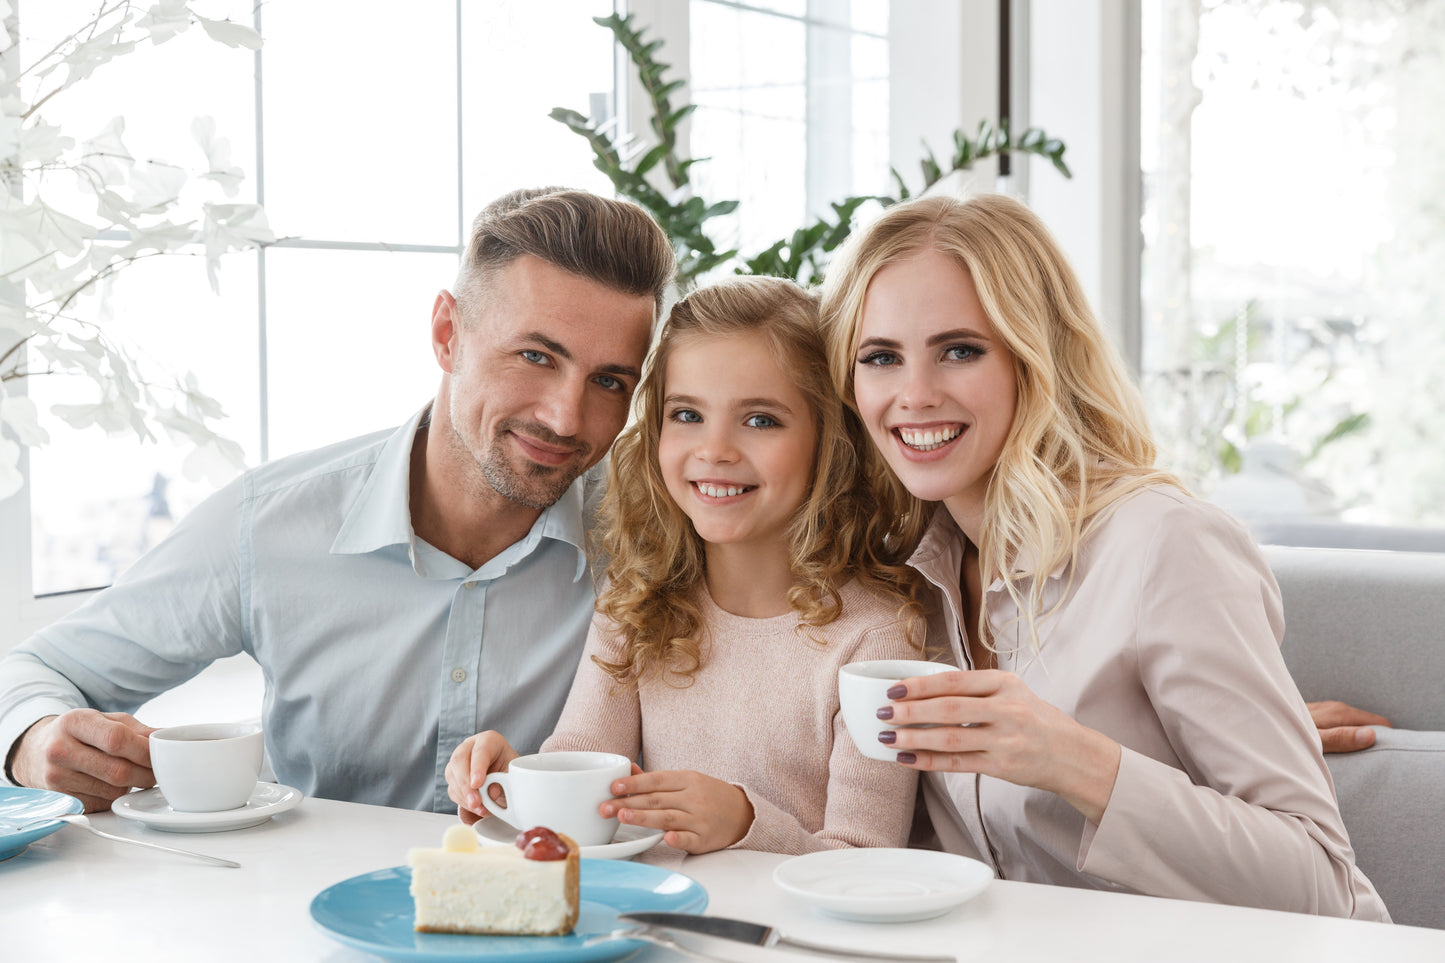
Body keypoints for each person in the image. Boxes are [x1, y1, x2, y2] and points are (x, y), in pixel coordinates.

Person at [0, 187, 676, 814]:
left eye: (610, 381)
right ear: (447, 333)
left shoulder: (657, 538)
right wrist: (32, 739)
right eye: (534, 356)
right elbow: (36, 668)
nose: (566, 417)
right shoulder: (271, 521)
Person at [818, 192, 1390, 920]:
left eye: (959, 349)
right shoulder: (901, 579)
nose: (915, 393)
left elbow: (1320, 885)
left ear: (1036, 355)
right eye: (880, 357)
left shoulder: (1164, 544)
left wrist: (1073, 758)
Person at [445, 277, 925, 855]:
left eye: (760, 420)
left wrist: (746, 823)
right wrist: (515, 785)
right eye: (687, 414)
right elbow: (585, 770)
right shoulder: (638, 603)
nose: (715, 450)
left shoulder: (876, 639)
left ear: (831, 440)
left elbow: (871, 862)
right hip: (657, 924)